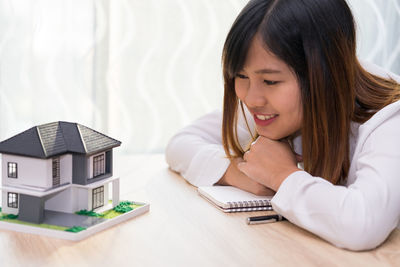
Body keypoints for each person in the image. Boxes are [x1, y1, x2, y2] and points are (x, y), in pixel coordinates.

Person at [165, 0, 400, 251]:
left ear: (323, 74)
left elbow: (362, 224)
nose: (252, 99)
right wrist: (238, 172)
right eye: (241, 76)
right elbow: (180, 143)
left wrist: (281, 175)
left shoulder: (389, 117)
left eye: (270, 81)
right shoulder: (270, 99)